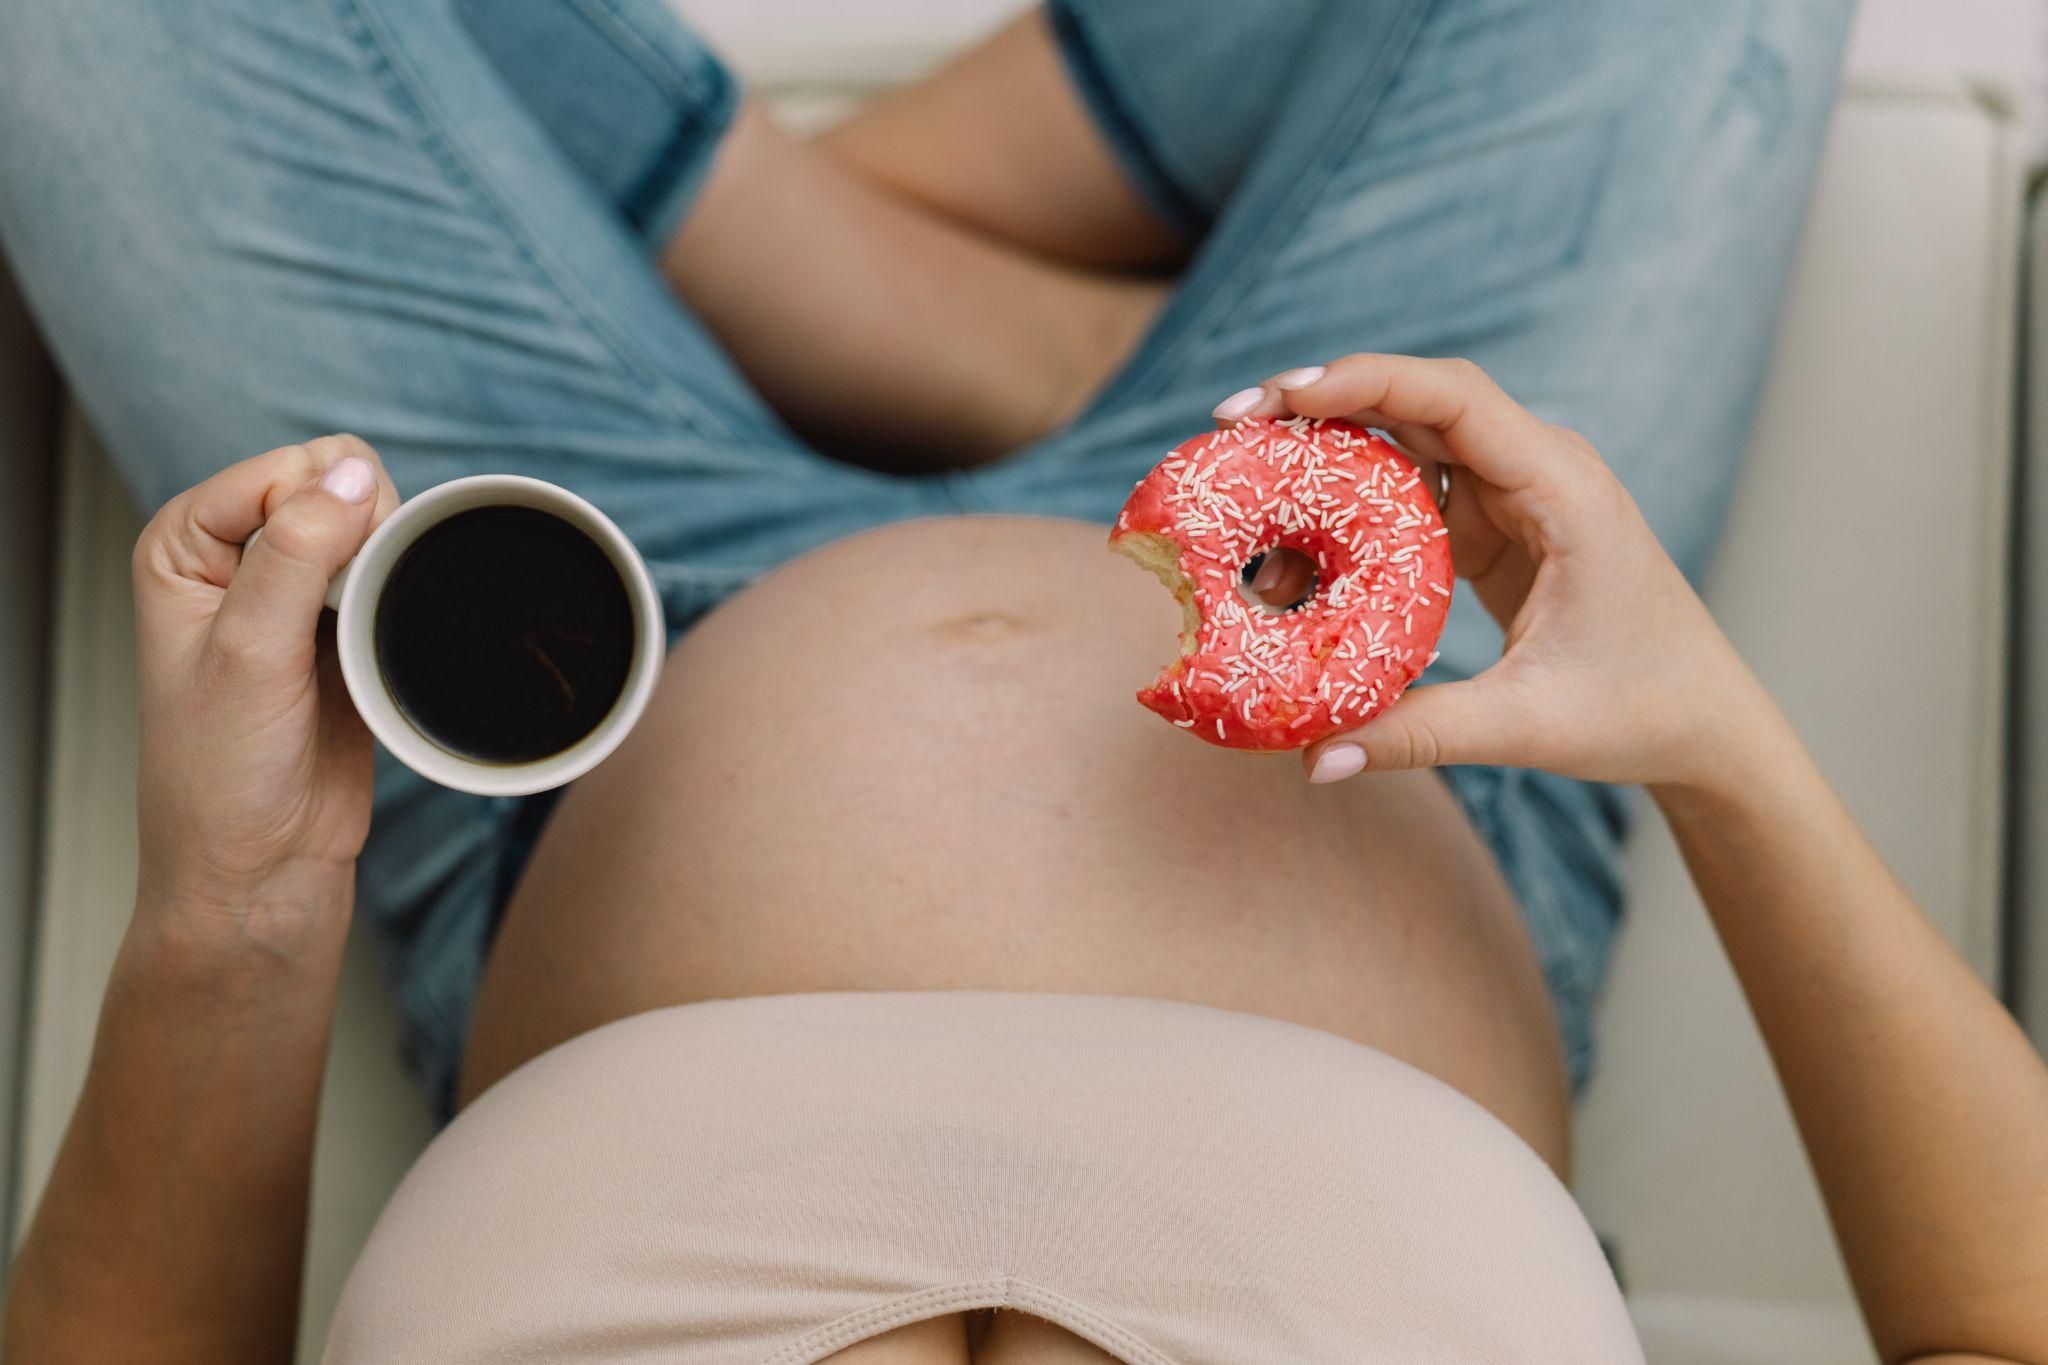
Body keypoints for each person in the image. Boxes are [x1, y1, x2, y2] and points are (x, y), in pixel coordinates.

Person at [14, 1, 2039, 1361]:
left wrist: (240, 905)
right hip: (1391, 686)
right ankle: (928, 318)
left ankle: (852, 277)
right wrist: (1705, 727)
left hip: (531, 691)